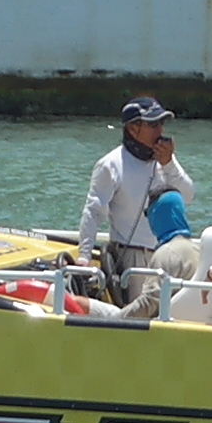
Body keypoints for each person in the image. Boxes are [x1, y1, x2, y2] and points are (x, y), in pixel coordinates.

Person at [79, 98, 194, 299]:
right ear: (133, 129)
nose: (160, 130)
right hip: (133, 257)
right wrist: (84, 257)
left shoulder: (165, 160)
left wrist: (168, 164)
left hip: (168, 255)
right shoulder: (110, 164)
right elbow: (94, 212)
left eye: (161, 123)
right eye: (152, 124)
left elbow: (188, 196)